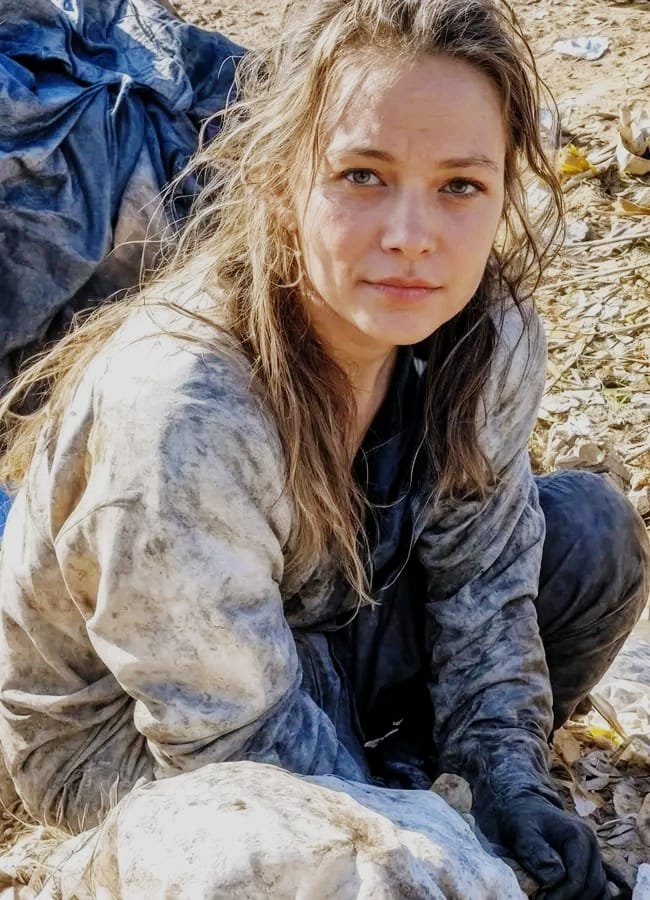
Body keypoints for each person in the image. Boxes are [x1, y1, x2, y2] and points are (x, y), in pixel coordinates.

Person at [0, 0, 647, 897]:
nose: (411, 235)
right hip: (143, 728)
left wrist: (510, 785)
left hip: (329, 626)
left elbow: (487, 584)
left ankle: (424, 778)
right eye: (362, 175)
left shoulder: (485, 338)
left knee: (591, 539)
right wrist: (442, 853)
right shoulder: (185, 407)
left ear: (504, 196)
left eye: (461, 186)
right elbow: (228, 736)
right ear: (280, 184)